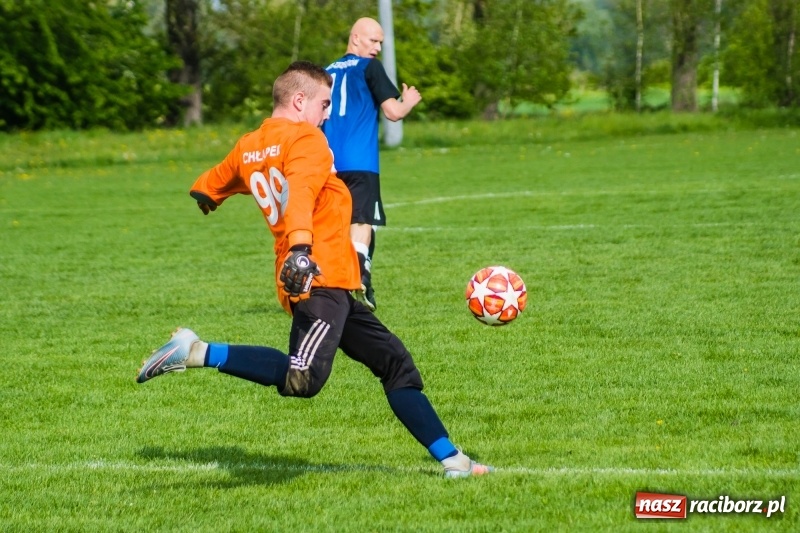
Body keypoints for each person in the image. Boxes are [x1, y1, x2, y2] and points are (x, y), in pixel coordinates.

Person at [136, 61, 491, 479]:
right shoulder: (307, 139)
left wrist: (208, 196)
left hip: (329, 281)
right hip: (315, 277)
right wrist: (301, 248)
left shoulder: (250, 144)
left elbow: (211, 182)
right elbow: (301, 193)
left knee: (395, 362)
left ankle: (454, 461)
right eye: (324, 104)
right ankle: (197, 351)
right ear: (299, 100)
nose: (327, 114)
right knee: (302, 378)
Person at [322, 17, 422, 311]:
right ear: (355, 38)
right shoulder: (369, 67)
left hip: (328, 163)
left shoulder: (325, 72)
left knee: (336, 225)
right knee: (363, 221)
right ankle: (359, 275)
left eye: (380, 42)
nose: (377, 48)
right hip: (361, 161)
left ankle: (332, 283)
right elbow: (392, 112)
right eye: (373, 41)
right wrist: (409, 101)